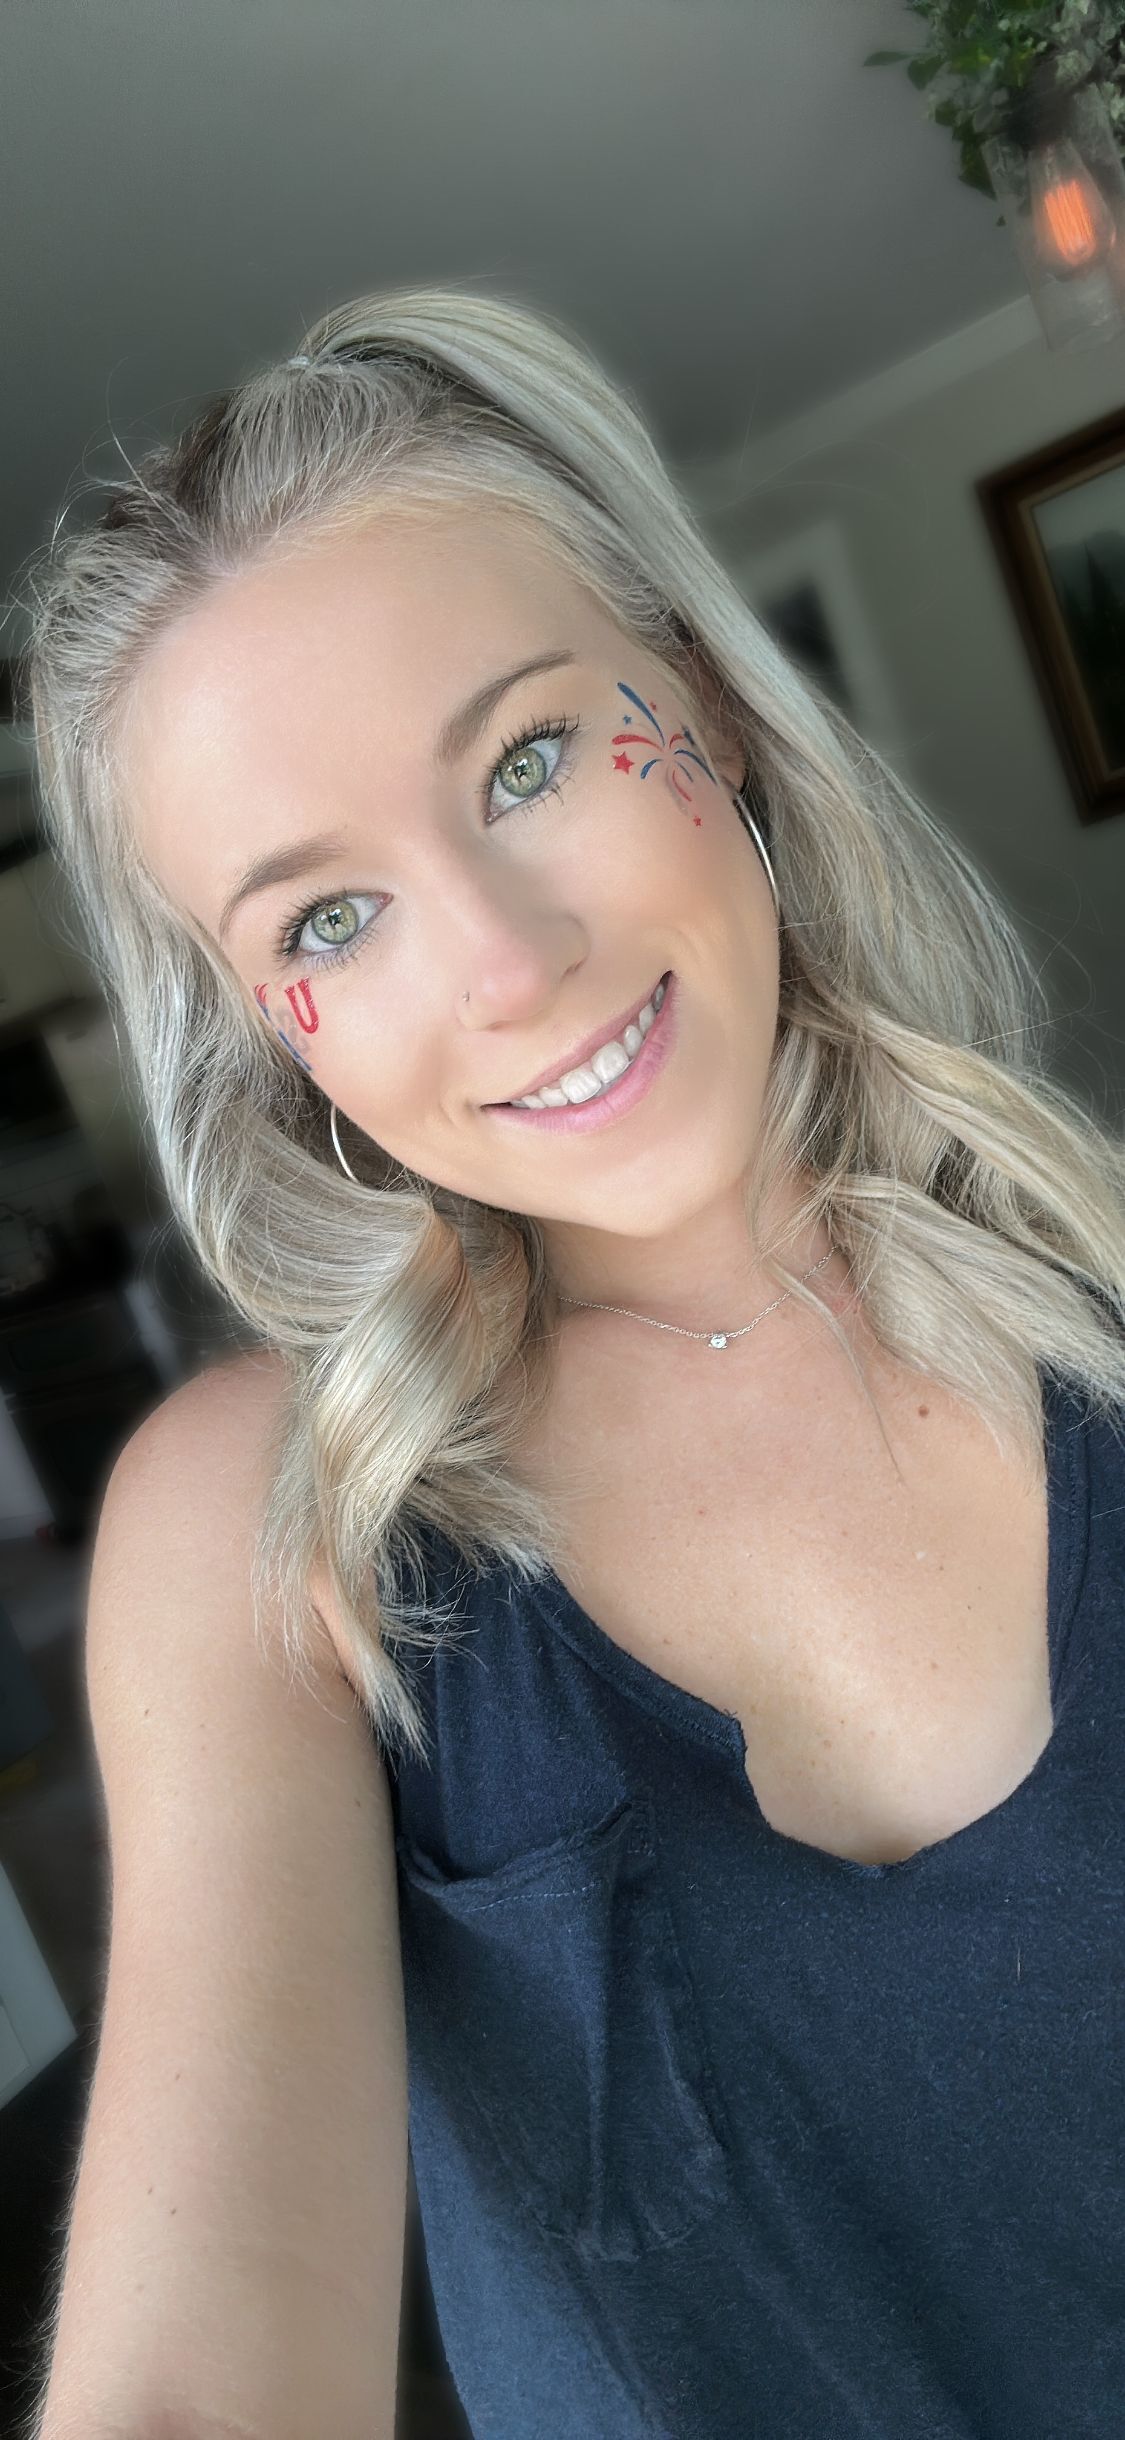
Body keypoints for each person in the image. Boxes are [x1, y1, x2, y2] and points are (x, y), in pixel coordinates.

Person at [15, 285, 1125, 2440]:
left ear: (703, 702)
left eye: (526, 761)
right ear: (270, 1038)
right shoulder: (271, 1530)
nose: (508, 967)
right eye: (325, 920)